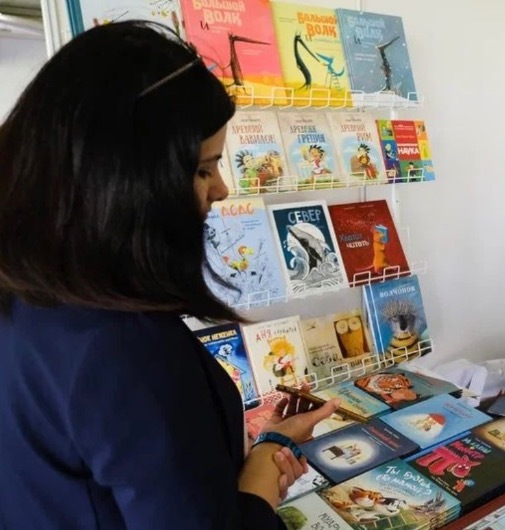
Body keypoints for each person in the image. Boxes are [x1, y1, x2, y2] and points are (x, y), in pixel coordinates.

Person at [0, 21, 339, 529]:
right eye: (204, 169)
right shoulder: (121, 348)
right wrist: (262, 475)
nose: (221, 189)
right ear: (126, 184)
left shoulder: (29, 290)